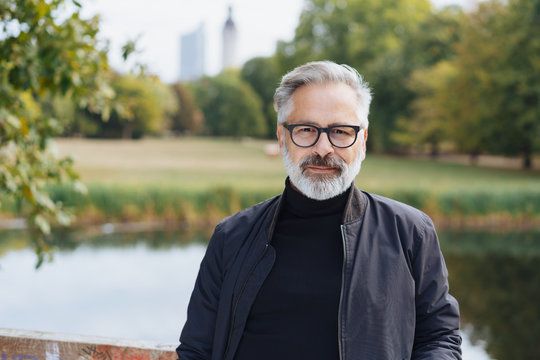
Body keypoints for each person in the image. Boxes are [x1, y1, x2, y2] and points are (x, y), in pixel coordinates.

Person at [176, 61, 462, 360]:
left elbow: (439, 337)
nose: (323, 148)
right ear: (282, 137)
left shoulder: (410, 232)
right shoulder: (231, 237)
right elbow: (197, 349)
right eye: (306, 129)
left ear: (362, 140)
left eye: (340, 131)